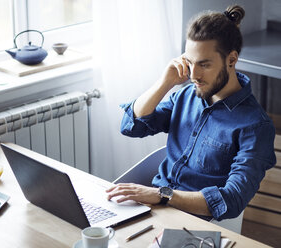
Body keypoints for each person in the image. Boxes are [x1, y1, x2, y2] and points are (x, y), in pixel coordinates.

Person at [106, 5, 276, 221]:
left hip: (194, 222)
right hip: (152, 208)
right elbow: (131, 126)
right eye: (189, 62)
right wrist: (165, 82)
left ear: (231, 60)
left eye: (204, 65)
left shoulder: (255, 127)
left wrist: (161, 195)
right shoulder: (186, 95)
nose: (193, 75)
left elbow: (231, 200)